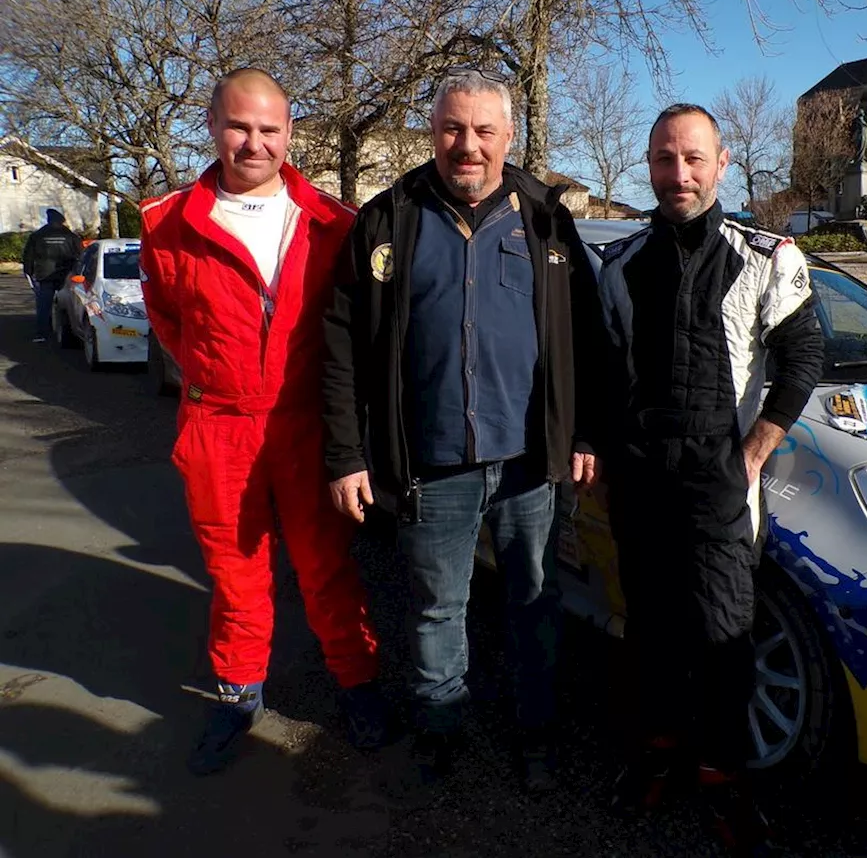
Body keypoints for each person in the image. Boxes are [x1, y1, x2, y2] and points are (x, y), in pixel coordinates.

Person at [321, 70, 605, 792]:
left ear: (510, 137)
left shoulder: (548, 221)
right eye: (452, 128)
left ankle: (534, 733)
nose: (467, 145)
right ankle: (440, 727)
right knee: (435, 609)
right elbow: (341, 343)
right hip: (431, 462)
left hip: (528, 465)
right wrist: (347, 454)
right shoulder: (389, 219)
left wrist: (584, 434)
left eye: (484, 131)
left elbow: (589, 340)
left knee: (534, 607)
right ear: (433, 132)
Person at [140, 68, 386, 776]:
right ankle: (236, 696)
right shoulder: (167, 221)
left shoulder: (334, 224)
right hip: (221, 428)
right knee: (236, 574)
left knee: (327, 569)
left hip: (309, 426)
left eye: (269, 129)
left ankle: (359, 684)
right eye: (239, 126)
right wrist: (217, 384)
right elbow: (167, 319)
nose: (253, 143)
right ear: (213, 125)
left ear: (289, 132)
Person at [598, 104, 823, 854]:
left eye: (693, 158)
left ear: (722, 163)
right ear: (649, 166)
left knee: (727, 641)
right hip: (640, 483)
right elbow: (602, 371)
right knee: (654, 634)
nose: (679, 174)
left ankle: (725, 779)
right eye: (665, 159)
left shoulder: (767, 255)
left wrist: (754, 454)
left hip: (719, 485)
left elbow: (803, 361)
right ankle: (660, 755)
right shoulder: (621, 261)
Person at [21, 208, 81, 342]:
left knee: (44, 304)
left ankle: (42, 333)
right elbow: (80, 255)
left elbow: (29, 256)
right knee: (67, 303)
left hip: (44, 274)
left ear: (48, 220)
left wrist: (28, 271)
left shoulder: (38, 235)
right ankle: (68, 332)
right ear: (61, 221)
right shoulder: (71, 236)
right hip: (66, 274)